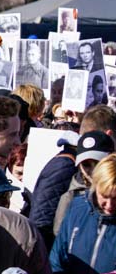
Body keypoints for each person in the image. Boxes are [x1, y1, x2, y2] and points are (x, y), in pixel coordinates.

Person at [31, 105, 116, 247]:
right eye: (86, 165)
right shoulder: (65, 169)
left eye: (97, 162)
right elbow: (42, 223)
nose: (93, 170)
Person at [51, 152, 116, 274]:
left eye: (115, 198)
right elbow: (58, 258)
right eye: (104, 196)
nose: (109, 205)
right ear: (96, 186)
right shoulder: (77, 208)